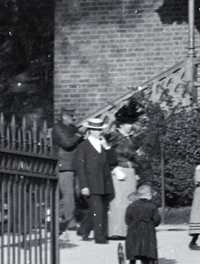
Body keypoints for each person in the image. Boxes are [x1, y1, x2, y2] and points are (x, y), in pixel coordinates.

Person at [75, 115, 114, 245]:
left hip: (104, 181)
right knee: (97, 208)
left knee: (99, 208)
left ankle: (83, 229)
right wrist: (84, 186)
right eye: (96, 130)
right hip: (91, 182)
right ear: (90, 130)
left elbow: (112, 161)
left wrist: (107, 147)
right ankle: (99, 236)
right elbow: (80, 168)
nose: (98, 132)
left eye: (100, 130)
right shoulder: (83, 146)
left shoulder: (103, 144)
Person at [108, 100, 142, 240]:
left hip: (130, 171)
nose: (130, 126)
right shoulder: (114, 136)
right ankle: (116, 231)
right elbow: (108, 154)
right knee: (118, 202)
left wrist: (136, 172)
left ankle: (128, 230)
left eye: (131, 124)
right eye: (127, 124)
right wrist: (114, 168)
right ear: (121, 124)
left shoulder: (131, 139)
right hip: (118, 171)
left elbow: (133, 157)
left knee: (130, 201)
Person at [53, 110, 82, 238]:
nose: (74, 119)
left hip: (71, 164)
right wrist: (79, 134)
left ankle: (57, 217)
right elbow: (67, 143)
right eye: (72, 116)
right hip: (64, 165)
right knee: (69, 194)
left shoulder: (70, 128)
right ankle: (70, 222)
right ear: (64, 117)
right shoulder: (58, 128)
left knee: (73, 193)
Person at [123, 184, 161, 264]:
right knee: (146, 251)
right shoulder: (152, 206)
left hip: (134, 231)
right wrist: (153, 224)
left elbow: (127, 220)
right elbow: (156, 220)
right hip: (147, 231)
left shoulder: (131, 206)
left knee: (133, 251)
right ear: (148, 194)